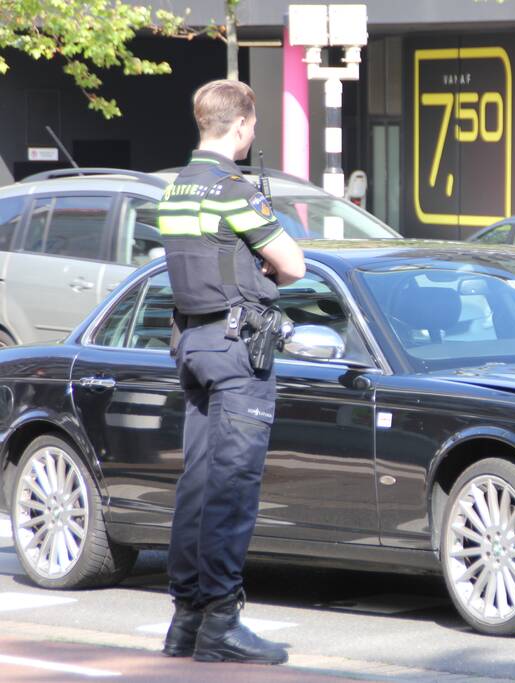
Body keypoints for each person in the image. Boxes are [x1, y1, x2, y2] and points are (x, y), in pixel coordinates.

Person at [156, 79, 305, 665]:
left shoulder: (174, 190)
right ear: (241, 126)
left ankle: (185, 619)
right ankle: (221, 621)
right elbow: (291, 264)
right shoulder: (232, 190)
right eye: (252, 126)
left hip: (192, 343)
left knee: (196, 483)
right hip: (236, 349)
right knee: (233, 486)